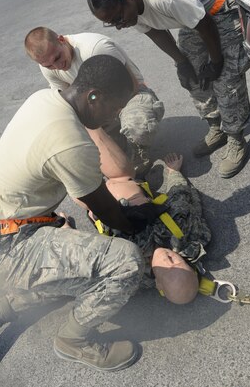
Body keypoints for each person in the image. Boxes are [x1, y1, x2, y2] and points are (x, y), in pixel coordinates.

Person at [0, 55, 168, 387]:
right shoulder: (71, 143)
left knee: (76, 266)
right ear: (94, 96)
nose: (114, 117)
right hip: (5, 248)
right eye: (115, 108)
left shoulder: (44, 99)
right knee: (123, 261)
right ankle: (73, 340)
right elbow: (106, 211)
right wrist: (134, 220)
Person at [85, 0, 250, 179]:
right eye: (110, 23)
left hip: (222, 4)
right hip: (195, 16)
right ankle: (216, 124)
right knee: (191, 73)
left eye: (117, 18)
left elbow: (205, 25)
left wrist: (216, 62)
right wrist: (181, 62)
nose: (118, 25)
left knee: (225, 77)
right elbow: (155, 31)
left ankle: (235, 137)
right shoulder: (130, 8)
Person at [87, 127, 210, 303]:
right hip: (122, 180)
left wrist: (64, 228)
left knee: (69, 160)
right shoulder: (185, 235)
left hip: (95, 202)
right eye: (179, 264)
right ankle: (89, 122)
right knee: (118, 168)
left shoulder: (133, 275)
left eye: (168, 270)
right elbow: (182, 198)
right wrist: (174, 173)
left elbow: (92, 266)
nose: (170, 260)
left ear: (159, 285)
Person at [24, 27, 164, 174]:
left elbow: (133, 85)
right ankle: (119, 146)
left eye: (58, 58)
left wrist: (107, 116)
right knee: (78, 140)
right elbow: (66, 101)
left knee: (136, 126)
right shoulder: (47, 65)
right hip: (97, 105)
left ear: (61, 40)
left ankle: (139, 150)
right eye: (49, 65)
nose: (57, 66)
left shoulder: (96, 48)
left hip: (130, 96)